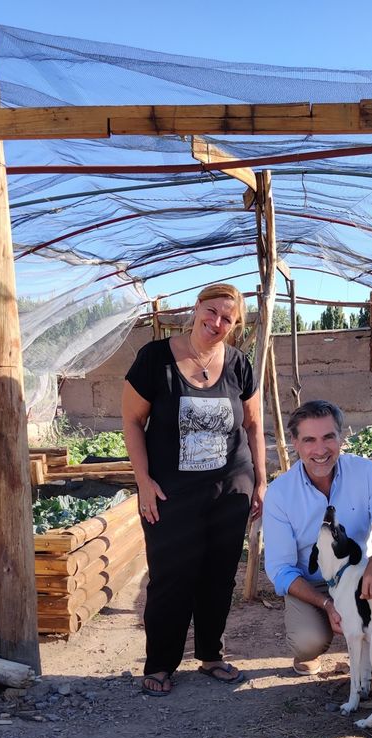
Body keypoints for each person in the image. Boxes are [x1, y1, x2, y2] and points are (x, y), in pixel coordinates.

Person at [122, 282, 266, 696]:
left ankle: (211, 654)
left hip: (230, 488)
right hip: (170, 492)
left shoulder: (239, 363)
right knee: (171, 575)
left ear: (234, 326)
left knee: (219, 576)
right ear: (197, 307)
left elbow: (254, 424)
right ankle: (161, 663)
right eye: (212, 311)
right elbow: (132, 421)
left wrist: (261, 479)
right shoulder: (155, 359)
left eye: (227, 318)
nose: (216, 322)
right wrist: (144, 482)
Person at [263, 400, 372, 675]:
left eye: (328, 437)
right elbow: (281, 569)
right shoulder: (279, 493)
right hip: (314, 586)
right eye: (309, 440)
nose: (320, 450)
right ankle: (311, 646)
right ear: (295, 444)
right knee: (308, 641)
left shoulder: (365, 473)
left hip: (361, 576)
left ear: (341, 438)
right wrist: (328, 604)